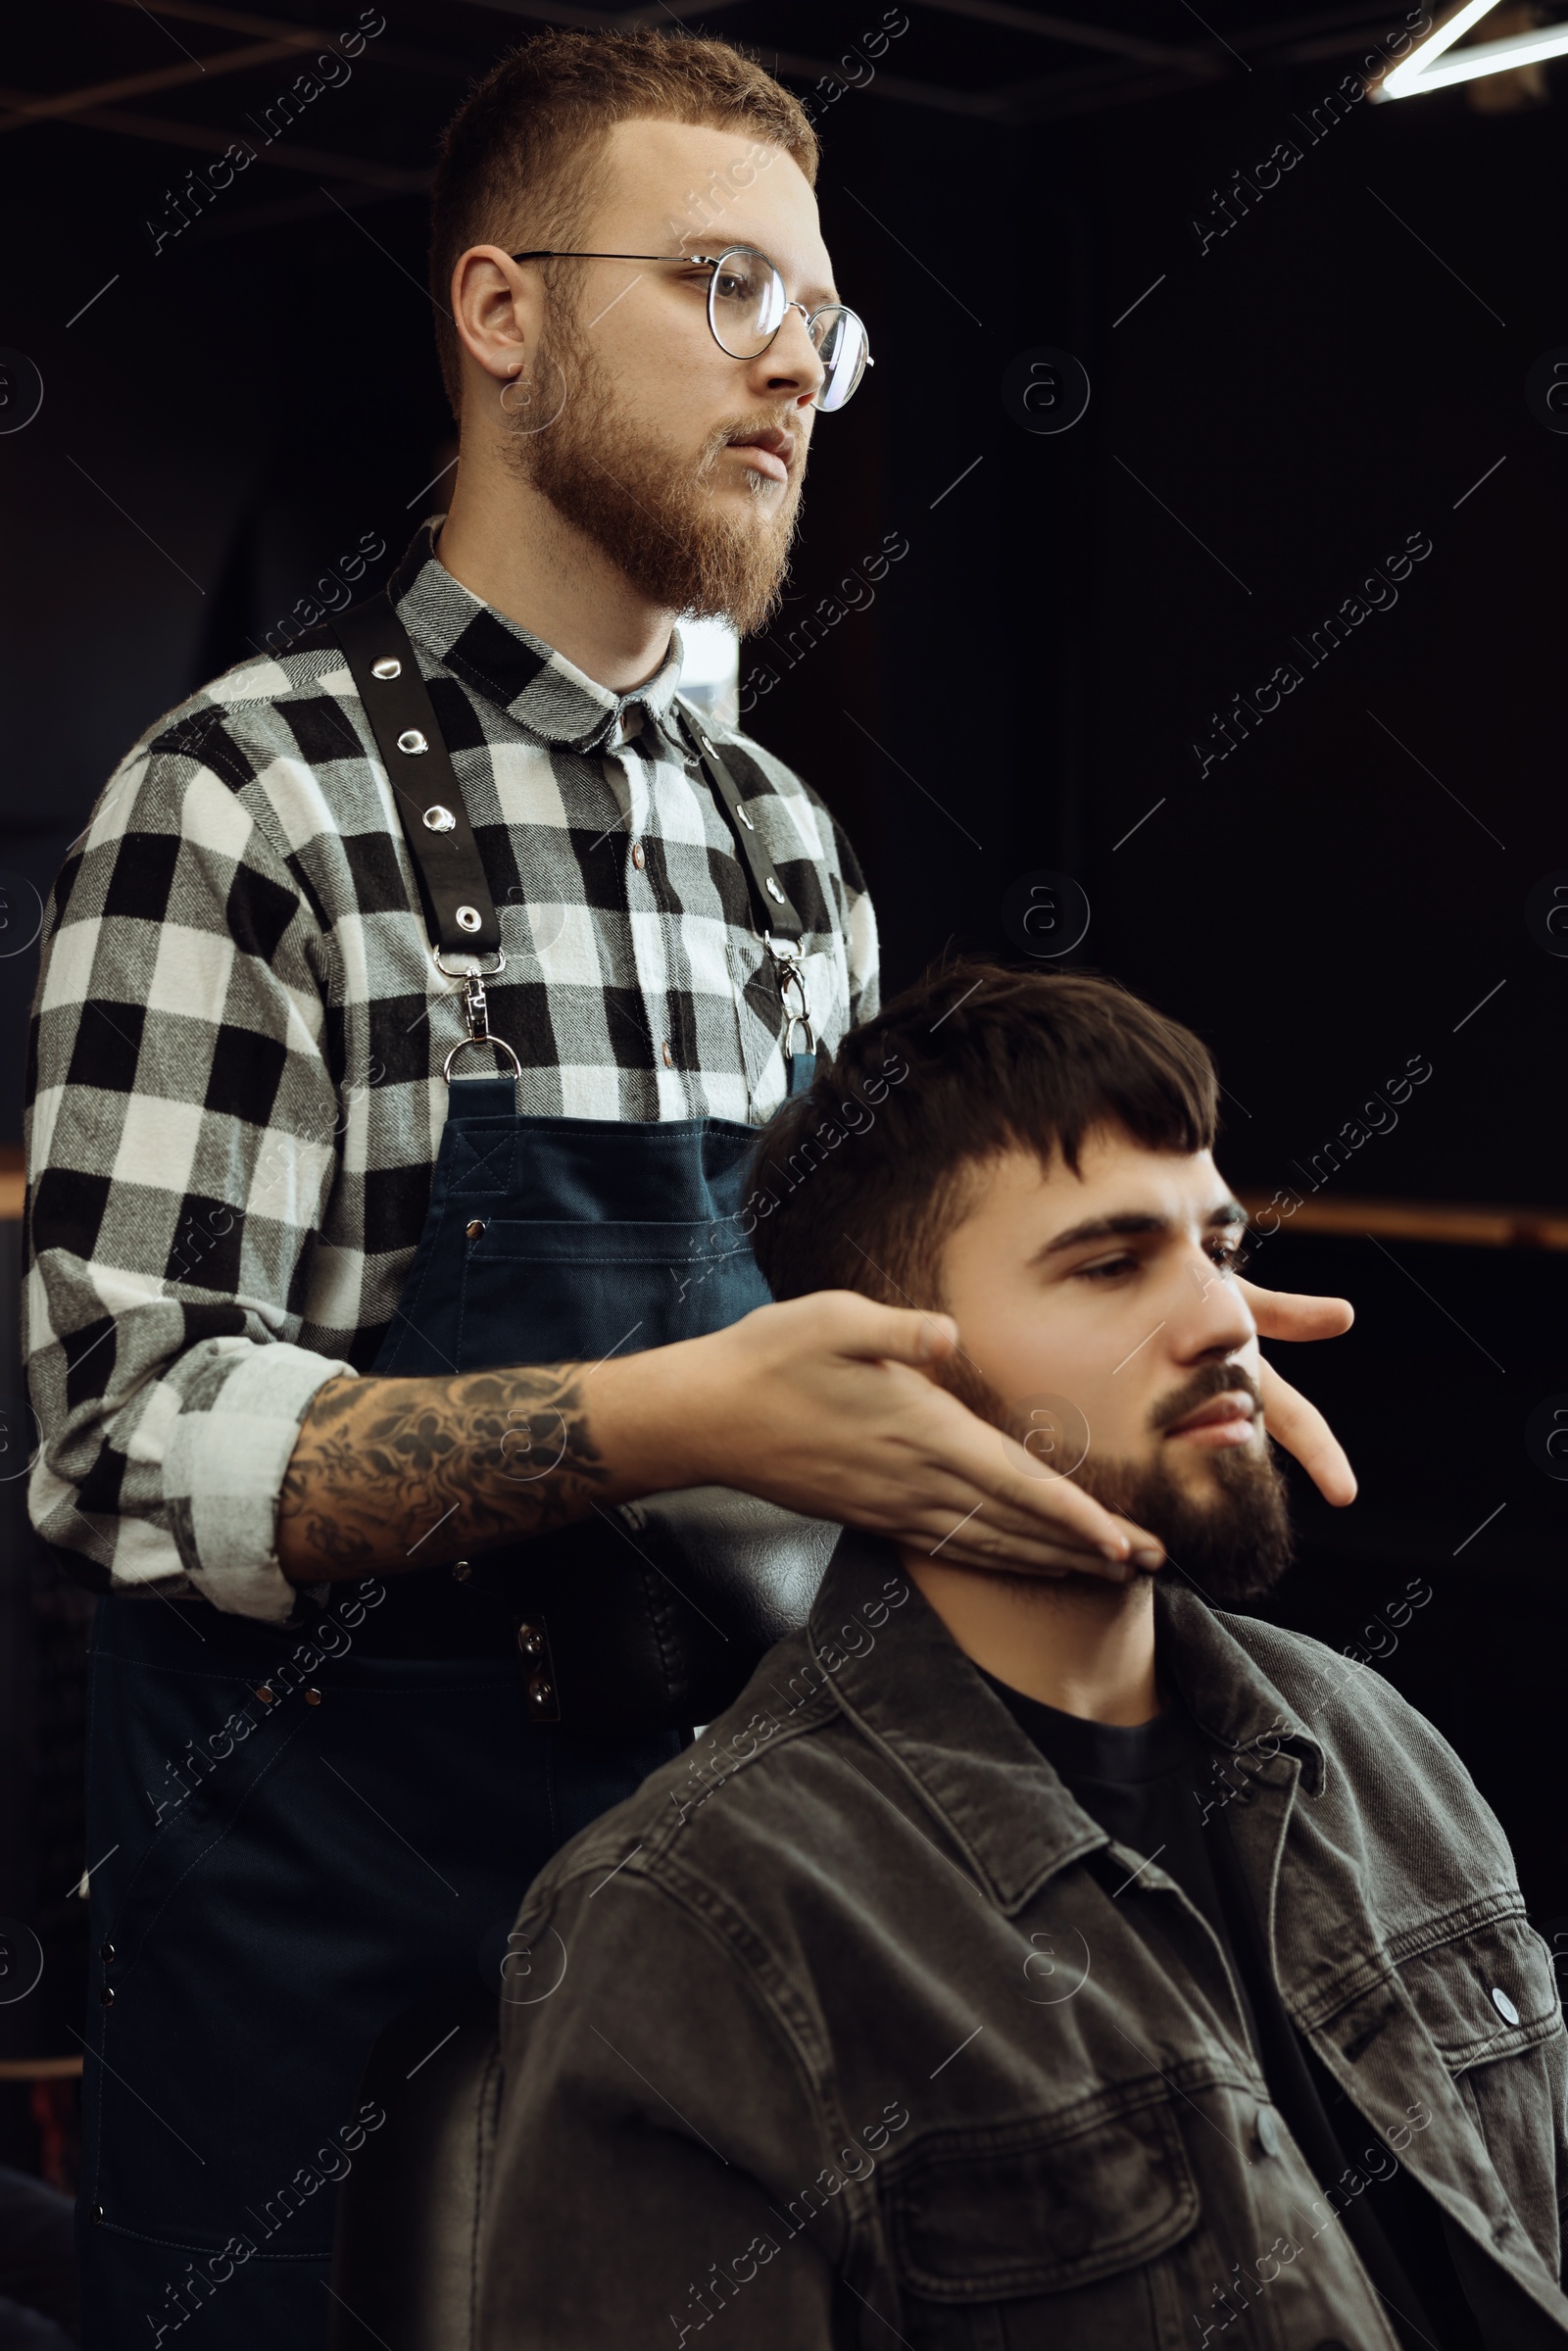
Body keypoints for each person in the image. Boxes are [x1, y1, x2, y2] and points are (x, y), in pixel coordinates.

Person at [24, 29, 1355, 2349]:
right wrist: (672, 1420)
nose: (793, 375)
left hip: (754, 1903)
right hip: (321, 1965)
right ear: (501, 311)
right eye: (722, 288)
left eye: (817, 324)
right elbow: (119, 1446)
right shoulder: (240, 802)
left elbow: (865, 1338)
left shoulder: (776, 854)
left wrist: (1158, 1371)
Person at [478, 961, 1568, 2351]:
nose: (1226, 1322)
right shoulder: (700, 1931)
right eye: (1112, 1265)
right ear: (884, 1370)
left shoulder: (1378, 1746)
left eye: (1220, 1250)